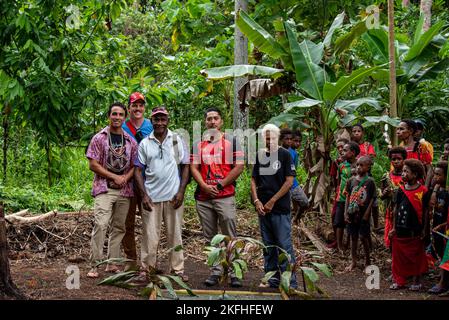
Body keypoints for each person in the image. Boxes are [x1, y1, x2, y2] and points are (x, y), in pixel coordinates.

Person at [133, 106, 190, 281]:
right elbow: (137, 171)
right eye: (156, 119)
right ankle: (146, 269)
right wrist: (144, 195)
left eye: (162, 119)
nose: (159, 123)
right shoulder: (145, 142)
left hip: (173, 197)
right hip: (151, 197)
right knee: (150, 235)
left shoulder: (176, 140)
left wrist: (181, 191)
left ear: (168, 121)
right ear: (151, 121)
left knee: (175, 235)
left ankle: (177, 270)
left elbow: (185, 165)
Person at [190, 107, 245, 287]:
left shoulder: (231, 142)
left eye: (216, 118)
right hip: (204, 197)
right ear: (205, 122)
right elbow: (193, 167)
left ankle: (234, 271)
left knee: (230, 235)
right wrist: (205, 186)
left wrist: (220, 184)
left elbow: (239, 166)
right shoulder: (199, 144)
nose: (212, 122)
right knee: (210, 237)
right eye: (209, 119)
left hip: (225, 195)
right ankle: (215, 271)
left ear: (221, 121)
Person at [85, 102, 138, 278]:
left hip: (124, 190)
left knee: (119, 227)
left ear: (125, 117)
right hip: (104, 188)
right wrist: (113, 176)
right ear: (109, 116)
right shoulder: (99, 138)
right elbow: (93, 164)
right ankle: (95, 264)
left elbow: (134, 165)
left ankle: (112, 263)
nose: (117, 117)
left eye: (120, 114)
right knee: (101, 224)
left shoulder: (130, 140)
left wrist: (124, 178)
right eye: (114, 114)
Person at [251, 124, 297, 289]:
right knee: (268, 246)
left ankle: (290, 282)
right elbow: (253, 179)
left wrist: (272, 201)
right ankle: (272, 279)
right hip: (263, 209)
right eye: (267, 138)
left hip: (279, 209)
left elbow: (289, 181)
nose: (269, 141)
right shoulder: (260, 155)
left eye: (272, 138)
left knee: (284, 245)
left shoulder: (285, 155)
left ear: (278, 138)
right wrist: (256, 201)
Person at [121, 92, 154, 270]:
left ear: (144, 108)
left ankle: (148, 261)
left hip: (148, 182)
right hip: (127, 181)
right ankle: (130, 259)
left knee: (150, 222)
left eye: (141, 105)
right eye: (134, 105)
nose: (138, 108)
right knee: (128, 223)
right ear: (129, 108)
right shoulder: (122, 126)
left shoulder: (152, 125)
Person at [389, 159, 430, 291]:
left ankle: (416, 281)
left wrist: (424, 229)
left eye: (407, 171)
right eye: (403, 171)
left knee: (416, 256)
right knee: (398, 256)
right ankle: (399, 280)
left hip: (415, 229)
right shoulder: (400, 190)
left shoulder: (423, 191)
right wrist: (394, 228)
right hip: (400, 228)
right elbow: (395, 209)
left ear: (415, 174)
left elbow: (426, 212)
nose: (403, 173)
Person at [344, 156, 376, 271]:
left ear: (368, 167)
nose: (358, 167)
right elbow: (347, 197)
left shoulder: (370, 182)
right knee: (353, 237)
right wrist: (346, 212)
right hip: (352, 214)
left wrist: (367, 214)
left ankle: (368, 261)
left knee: (363, 237)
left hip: (363, 214)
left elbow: (372, 198)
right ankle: (353, 261)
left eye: (361, 165)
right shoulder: (351, 181)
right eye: (357, 165)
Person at [333, 141, 360, 253]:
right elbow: (339, 181)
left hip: (354, 198)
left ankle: (349, 244)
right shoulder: (342, 165)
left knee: (351, 220)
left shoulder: (360, 165)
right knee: (339, 222)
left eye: (345, 150)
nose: (342, 152)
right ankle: (339, 245)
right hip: (342, 198)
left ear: (353, 153)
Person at [380, 147, 406, 249]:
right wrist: (385, 193)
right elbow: (381, 196)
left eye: (399, 159)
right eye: (393, 159)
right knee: (391, 233)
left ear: (404, 159)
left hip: (403, 211)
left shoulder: (407, 177)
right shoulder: (386, 177)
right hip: (390, 211)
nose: (396, 161)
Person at [280, 128, 308, 221]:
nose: (298, 144)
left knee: (304, 202)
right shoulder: (280, 151)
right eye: (295, 141)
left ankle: (296, 219)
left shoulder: (295, 153)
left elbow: (293, 170)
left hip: (293, 183)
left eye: (299, 141)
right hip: (283, 184)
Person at [396, 119, 433, 187]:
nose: (398, 132)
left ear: (410, 131)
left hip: (419, 186)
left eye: (401, 129)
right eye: (397, 129)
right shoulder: (399, 148)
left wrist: (425, 188)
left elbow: (430, 169)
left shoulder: (421, 147)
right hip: (402, 186)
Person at [328, 138, 348, 249]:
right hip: (340, 192)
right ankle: (337, 241)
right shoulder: (336, 162)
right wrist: (336, 190)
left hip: (352, 194)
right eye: (338, 147)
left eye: (343, 147)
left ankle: (347, 242)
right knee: (335, 216)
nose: (340, 150)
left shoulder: (355, 162)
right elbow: (334, 177)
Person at [428, 162, 449, 267]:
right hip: (437, 224)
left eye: (438, 175)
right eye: (434, 174)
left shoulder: (447, 192)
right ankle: (442, 274)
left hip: (444, 227)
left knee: (445, 250)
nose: (435, 177)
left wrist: (441, 226)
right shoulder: (437, 190)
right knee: (439, 247)